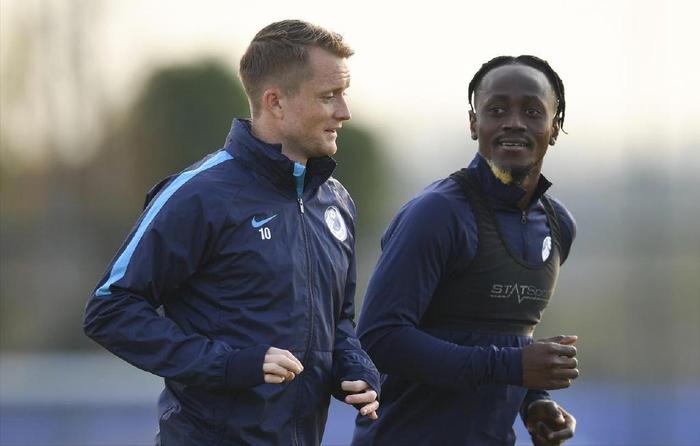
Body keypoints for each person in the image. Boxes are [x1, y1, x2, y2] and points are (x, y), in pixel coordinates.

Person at [83, 19, 380, 446]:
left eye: (344, 94)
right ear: (275, 102)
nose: (344, 111)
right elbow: (110, 310)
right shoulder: (199, 194)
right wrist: (229, 365)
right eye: (328, 96)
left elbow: (338, 322)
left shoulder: (336, 201)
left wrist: (352, 367)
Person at [351, 55, 579, 446]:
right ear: (474, 123)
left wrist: (533, 399)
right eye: (497, 110)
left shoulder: (559, 226)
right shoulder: (438, 214)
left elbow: (504, 339)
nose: (513, 122)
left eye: (532, 111)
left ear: (554, 127)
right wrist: (513, 366)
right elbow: (379, 338)